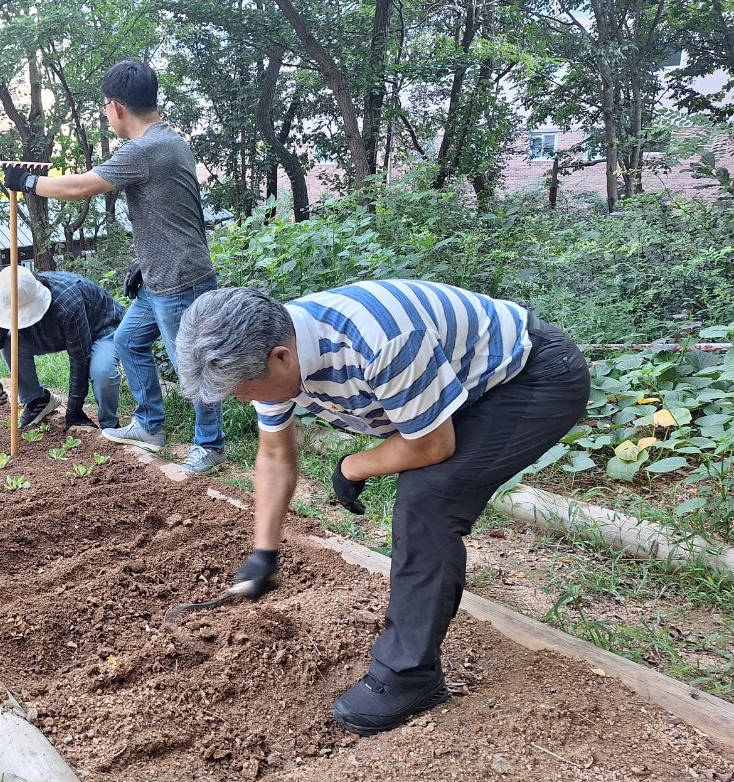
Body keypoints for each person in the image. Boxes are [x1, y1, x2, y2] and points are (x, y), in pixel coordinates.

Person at [174, 281, 591, 735]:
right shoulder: (270, 355)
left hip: (530, 377)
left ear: (282, 357)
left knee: (428, 500)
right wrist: (264, 553)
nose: (245, 400)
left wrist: (353, 467)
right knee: (425, 491)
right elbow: (274, 454)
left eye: (248, 391)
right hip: (460, 389)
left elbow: (431, 444)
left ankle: (410, 676)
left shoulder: (378, 339)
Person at [2, 60, 225, 473]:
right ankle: (149, 425)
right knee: (128, 342)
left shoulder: (145, 149)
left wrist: (27, 183)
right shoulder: (169, 141)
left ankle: (210, 446)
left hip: (181, 281)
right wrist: (144, 263)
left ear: (117, 107)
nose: (107, 114)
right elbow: (173, 215)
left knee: (191, 368)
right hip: (158, 278)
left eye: (106, 105)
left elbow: (81, 186)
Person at [0, 266, 124, 430]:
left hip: (100, 328)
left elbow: (80, 359)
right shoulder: (7, 296)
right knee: (11, 341)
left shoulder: (67, 302)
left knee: (103, 373)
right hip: (52, 333)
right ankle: (38, 400)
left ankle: (110, 426)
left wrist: (74, 411)